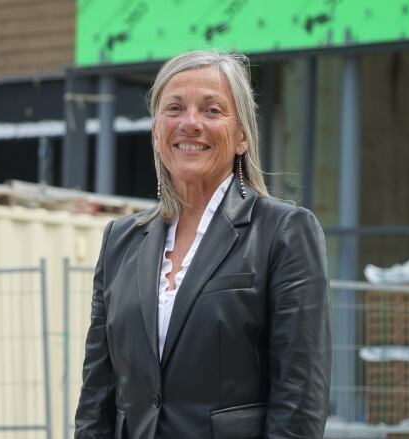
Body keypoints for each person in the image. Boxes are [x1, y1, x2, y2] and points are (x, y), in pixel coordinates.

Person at [74, 50, 331, 439]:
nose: (190, 123)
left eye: (212, 110)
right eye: (174, 108)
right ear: (157, 130)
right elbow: (97, 395)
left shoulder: (283, 232)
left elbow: (299, 401)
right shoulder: (119, 242)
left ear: (242, 136)